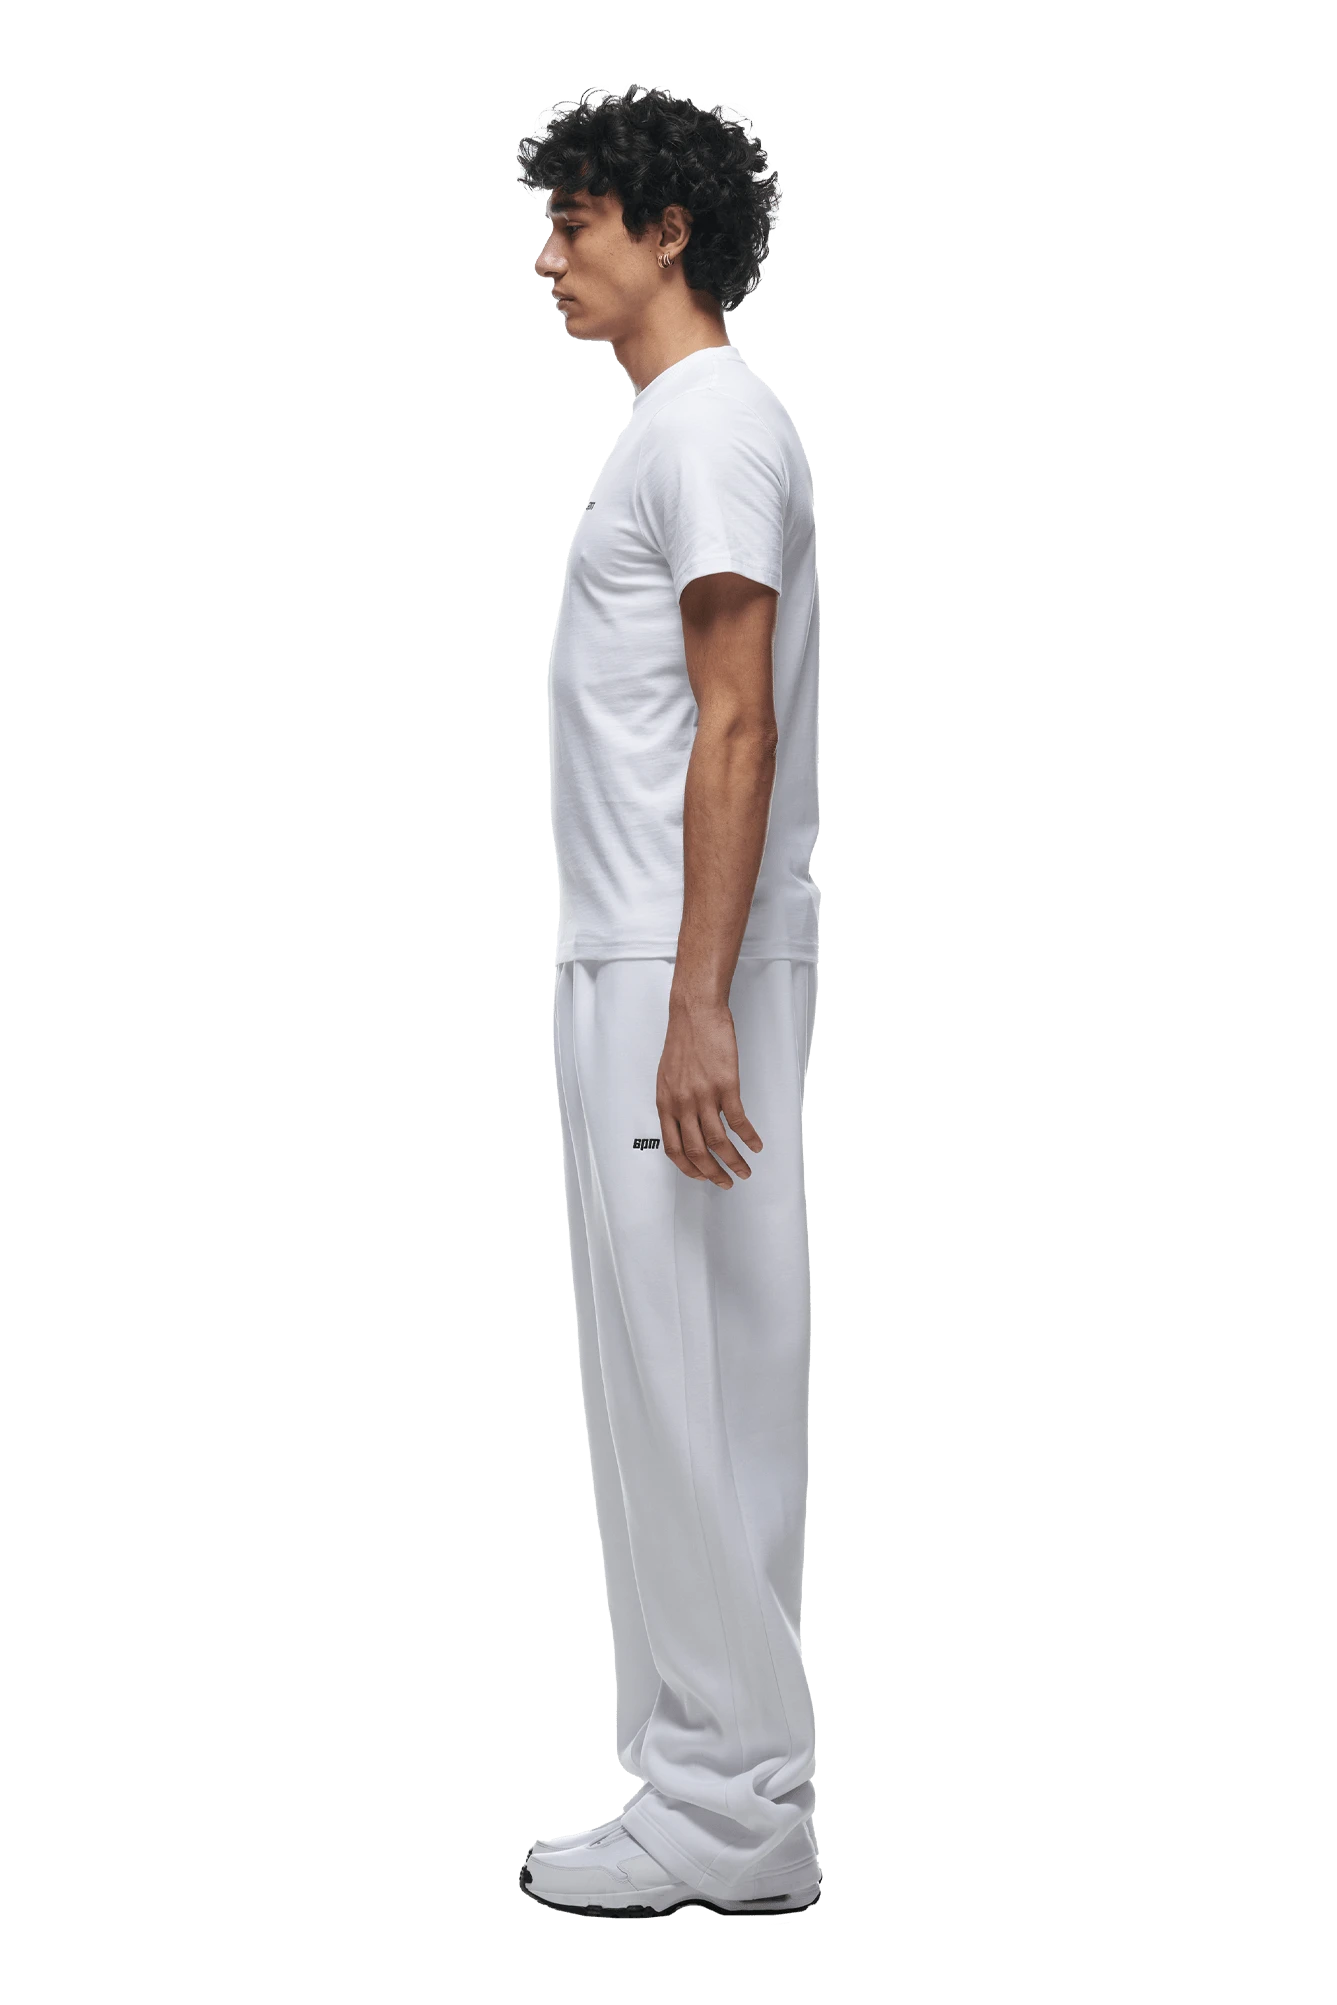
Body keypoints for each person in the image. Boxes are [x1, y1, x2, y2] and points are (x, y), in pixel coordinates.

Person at [522, 85, 821, 1918]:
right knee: (673, 1379)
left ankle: (731, 1802)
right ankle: (709, 1781)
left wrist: (694, 1001)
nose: (551, 257)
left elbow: (735, 719)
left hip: (673, 966)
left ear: (668, 228)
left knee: (696, 1377)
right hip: (655, 955)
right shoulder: (681, 428)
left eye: (574, 223)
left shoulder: (708, 426)